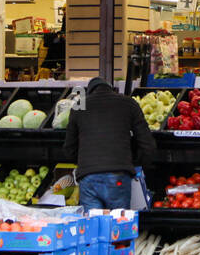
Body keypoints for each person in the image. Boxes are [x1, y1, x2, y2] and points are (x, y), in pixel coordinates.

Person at [64, 77, 155, 210]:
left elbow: (69, 149)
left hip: (89, 177)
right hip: (118, 175)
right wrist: (135, 163)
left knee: (94, 225)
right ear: (112, 89)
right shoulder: (128, 103)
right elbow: (147, 144)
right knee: (117, 225)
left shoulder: (79, 106)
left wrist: (85, 163)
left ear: (89, 92)